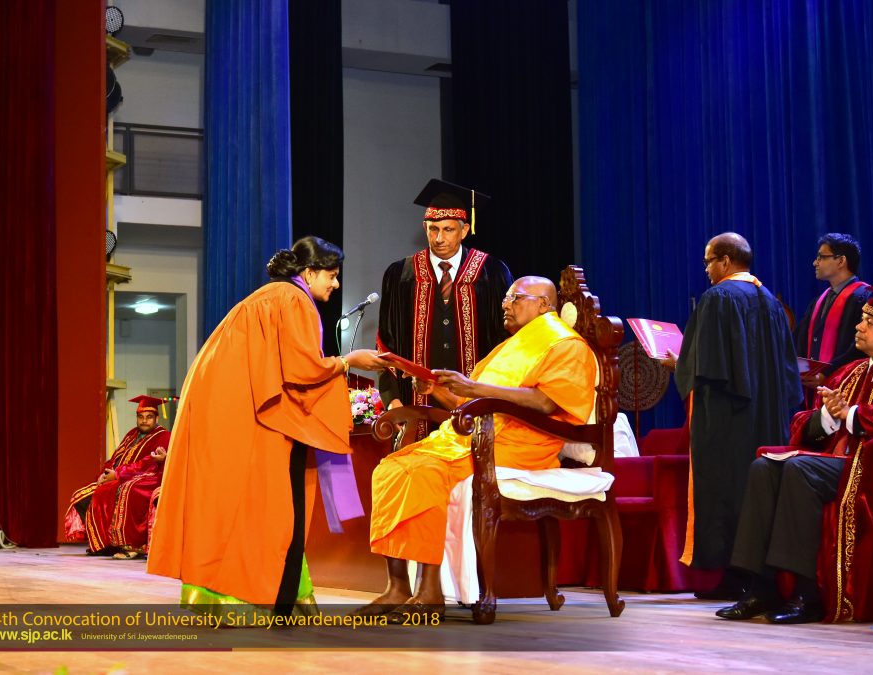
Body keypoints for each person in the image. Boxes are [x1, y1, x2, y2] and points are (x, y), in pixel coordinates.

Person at [146, 236, 392, 617]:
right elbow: (302, 368)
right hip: (246, 408)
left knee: (232, 503)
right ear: (308, 273)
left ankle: (230, 595)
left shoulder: (269, 295)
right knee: (269, 503)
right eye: (331, 275)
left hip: (225, 402)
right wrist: (348, 361)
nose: (336, 283)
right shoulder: (295, 300)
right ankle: (262, 598)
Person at [357, 276, 596, 618]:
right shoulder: (508, 347)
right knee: (391, 468)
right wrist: (436, 389)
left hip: (521, 443)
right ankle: (397, 586)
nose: (505, 304)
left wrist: (473, 389)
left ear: (544, 305)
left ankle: (430, 591)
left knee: (425, 470)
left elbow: (546, 402)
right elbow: (468, 401)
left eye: (515, 297)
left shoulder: (567, 346)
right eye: (506, 298)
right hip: (478, 435)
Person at [717, 296, 873, 624]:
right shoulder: (851, 372)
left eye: (870, 322)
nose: (859, 327)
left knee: (799, 469)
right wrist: (829, 417)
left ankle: (807, 594)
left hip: (866, 467)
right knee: (764, 467)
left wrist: (849, 414)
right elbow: (805, 421)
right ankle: (761, 588)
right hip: (834, 462)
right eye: (862, 319)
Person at [670, 232, 802, 598]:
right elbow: (788, 372)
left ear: (726, 261)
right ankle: (752, 576)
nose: (706, 270)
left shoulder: (718, 298)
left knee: (726, 491)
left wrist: (680, 365)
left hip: (728, 418)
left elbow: (708, 366)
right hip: (768, 415)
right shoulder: (771, 302)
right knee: (756, 492)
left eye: (709, 262)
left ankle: (735, 576)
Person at [376, 179, 513, 415]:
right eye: (433, 229)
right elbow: (385, 342)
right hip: (415, 404)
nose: (439, 238)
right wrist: (392, 400)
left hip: (477, 403)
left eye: (448, 230)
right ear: (425, 228)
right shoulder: (400, 274)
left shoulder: (492, 272)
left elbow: (508, 342)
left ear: (464, 230)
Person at [63, 395, 170, 559]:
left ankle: (132, 545)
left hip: (149, 477)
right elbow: (115, 457)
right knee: (86, 494)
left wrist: (118, 474)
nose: (144, 421)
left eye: (149, 417)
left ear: (157, 418)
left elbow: (147, 463)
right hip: (122, 476)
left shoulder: (163, 436)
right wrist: (105, 474)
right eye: (140, 417)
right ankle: (105, 545)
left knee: (127, 490)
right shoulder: (132, 434)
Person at [794, 233, 869, 388]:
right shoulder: (819, 301)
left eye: (821, 257)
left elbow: (862, 346)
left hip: (845, 388)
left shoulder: (865, 297)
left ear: (841, 261)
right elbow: (799, 338)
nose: (815, 262)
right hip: (813, 387)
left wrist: (828, 373)